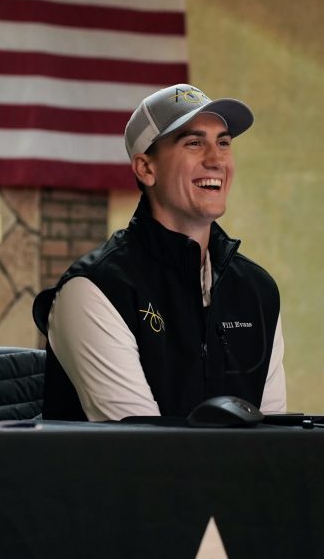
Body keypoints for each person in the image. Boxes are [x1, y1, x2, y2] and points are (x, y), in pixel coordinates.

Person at [32, 84, 286, 420]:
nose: (215, 160)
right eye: (194, 143)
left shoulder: (257, 291)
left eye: (223, 143)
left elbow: (277, 442)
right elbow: (145, 455)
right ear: (145, 169)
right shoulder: (95, 290)